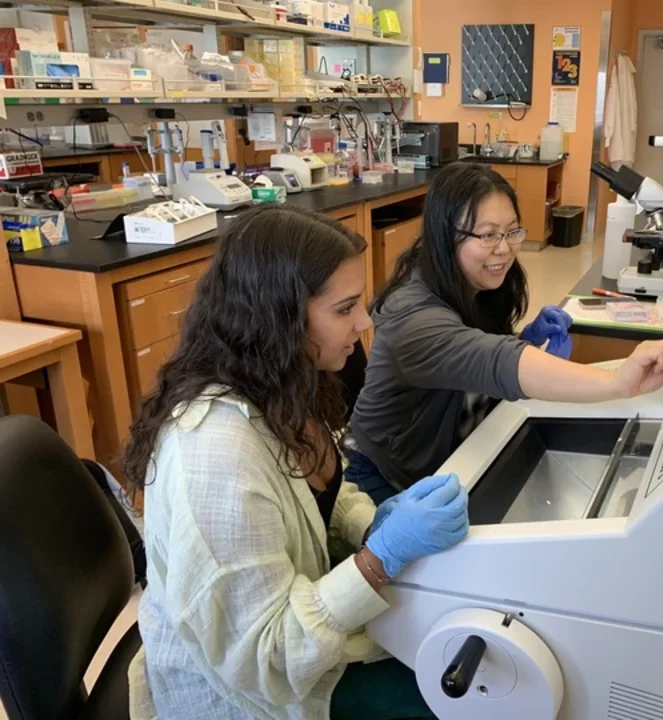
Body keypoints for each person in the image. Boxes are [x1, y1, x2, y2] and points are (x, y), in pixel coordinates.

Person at [122, 205, 468, 720]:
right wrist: (379, 559)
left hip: (300, 642)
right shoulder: (215, 455)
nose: (364, 321)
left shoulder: (278, 377)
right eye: (345, 307)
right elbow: (270, 660)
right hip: (247, 695)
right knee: (458, 696)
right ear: (277, 314)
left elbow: (314, 490)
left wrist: (370, 522)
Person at [347, 163, 663, 503]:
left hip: (447, 456)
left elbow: (474, 359)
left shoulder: (476, 281)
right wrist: (617, 382)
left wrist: (523, 341)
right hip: (383, 476)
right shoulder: (410, 315)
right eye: (487, 235)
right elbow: (489, 360)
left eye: (512, 231)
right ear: (444, 236)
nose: (503, 249)